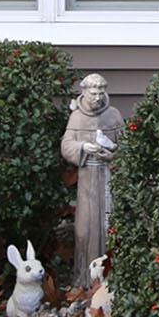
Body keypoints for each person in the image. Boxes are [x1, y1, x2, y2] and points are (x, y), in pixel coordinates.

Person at [60, 73, 123, 288]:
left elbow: (126, 146)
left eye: (100, 93)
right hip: (87, 179)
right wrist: (83, 148)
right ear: (84, 92)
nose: (97, 97)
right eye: (93, 93)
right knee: (84, 228)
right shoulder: (77, 117)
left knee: (109, 225)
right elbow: (66, 145)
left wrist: (112, 155)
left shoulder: (113, 115)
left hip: (108, 177)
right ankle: (85, 278)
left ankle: (111, 276)